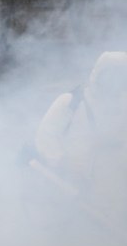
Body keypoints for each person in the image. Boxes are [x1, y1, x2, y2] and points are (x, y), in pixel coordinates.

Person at [32, 50, 127, 222]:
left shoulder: (123, 107)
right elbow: (46, 137)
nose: (115, 81)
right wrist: (63, 165)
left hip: (112, 196)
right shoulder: (71, 101)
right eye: (111, 75)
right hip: (71, 190)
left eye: (120, 76)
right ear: (99, 73)